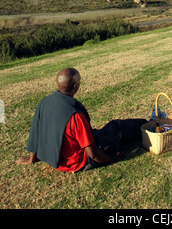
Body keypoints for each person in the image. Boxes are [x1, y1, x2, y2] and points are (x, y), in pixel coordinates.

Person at [16, 68, 147, 173]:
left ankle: (145, 126)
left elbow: (35, 134)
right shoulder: (75, 116)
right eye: (79, 81)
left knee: (103, 133)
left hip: (56, 159)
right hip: (77, 161)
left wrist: (31, 159)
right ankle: (147, 126)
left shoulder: (43, 103)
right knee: (115, 127)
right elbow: (93, 154)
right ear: (75, 86)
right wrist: (113, 159)